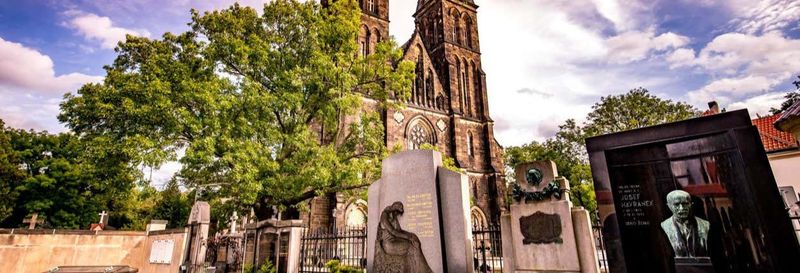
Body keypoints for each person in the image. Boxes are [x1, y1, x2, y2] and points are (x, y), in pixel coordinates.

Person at [373, 202, 433, 273]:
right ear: (395, 209)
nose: (397, 215)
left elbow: (399, 231)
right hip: (389, 245)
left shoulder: (393, 216)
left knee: (415, 244)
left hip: (395, 241)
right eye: (397, 212)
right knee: (411, 246)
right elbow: (393, 231)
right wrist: (408, 237)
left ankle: (421, 269)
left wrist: (411, 235)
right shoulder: (384, 216)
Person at [661, 190, 710, 258]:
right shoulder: (664, 226)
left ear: (691, 204)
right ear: (669, 206)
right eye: (676, 204)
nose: (681, 208)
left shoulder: (705, 225)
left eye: (685, 204)